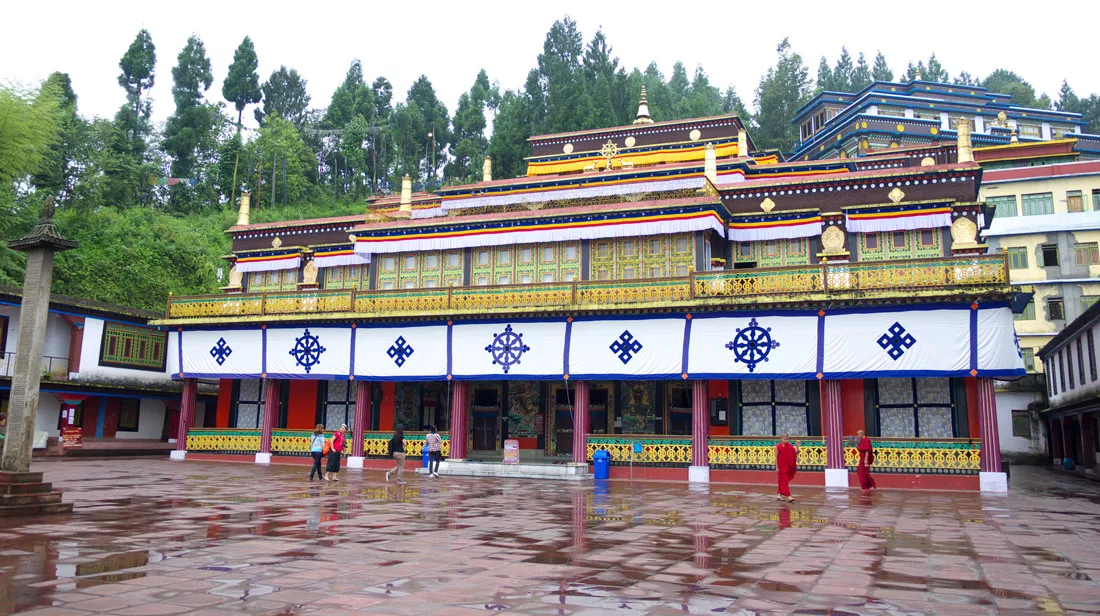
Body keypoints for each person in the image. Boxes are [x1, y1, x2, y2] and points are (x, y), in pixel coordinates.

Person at [776, 434, 799, 502]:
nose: (786, 440)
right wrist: (776, 467)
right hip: (781, 466)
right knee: (784, 481)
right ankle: (788, 496)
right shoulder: (777, 447)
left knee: (782, 481)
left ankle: (779, 495)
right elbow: (775, 457)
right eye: (785, 439)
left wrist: (797, 445)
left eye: (787, 439)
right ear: (781, 439)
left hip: (788, 466)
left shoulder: (790, 446)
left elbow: (796, 452)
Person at [856, 429, 877, 494]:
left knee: (864, 474)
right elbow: (860, 449)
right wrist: (857, 444)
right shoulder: (862, 441)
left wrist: (866, 460)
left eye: (858, 435)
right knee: (860, 473)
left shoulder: (866, 441)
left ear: (861, 434)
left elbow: (867, 451)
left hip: (865, 460)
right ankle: (865, 487)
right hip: (862, 459)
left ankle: (866, 487)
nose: (858, 436)